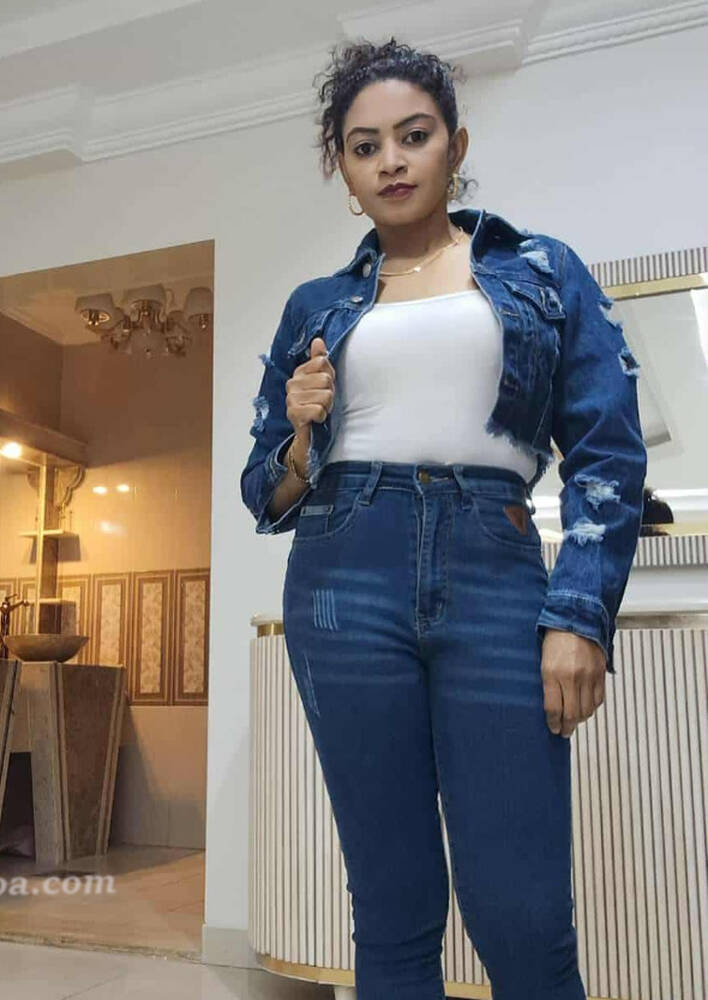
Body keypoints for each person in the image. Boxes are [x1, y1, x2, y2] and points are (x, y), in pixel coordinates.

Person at [239, 37, 647, 1000]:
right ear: (344, 172)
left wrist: (580, 613)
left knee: (523, 913)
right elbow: (267, 494)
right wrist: (300, 433)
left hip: (495, 566)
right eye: (364, 146)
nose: (391, 160)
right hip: (343, 575)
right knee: (391, 908)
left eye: (413, 136)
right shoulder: (315, 306)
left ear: (455, 147)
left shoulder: (543, 271)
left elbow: (608, 453)